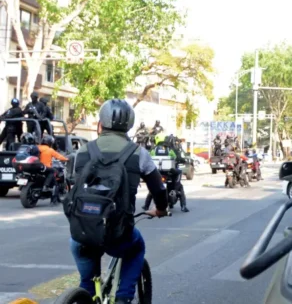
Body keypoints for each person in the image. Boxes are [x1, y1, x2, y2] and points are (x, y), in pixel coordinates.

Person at [68, 99, 168, 304]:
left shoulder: (82, 152)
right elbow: (158, 189)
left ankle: (86, 294)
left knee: (87, 283)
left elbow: (72, 188)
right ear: (129, 125)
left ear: (100, 124)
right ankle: (123, 297)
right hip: (118, 234)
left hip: (82, 232)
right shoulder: (138, 153)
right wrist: (160, 209)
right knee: (137, 247)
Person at [142, 133, 189, 212]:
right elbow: (176, 157)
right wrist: (182, 160)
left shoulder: (154, 149)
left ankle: (146, 206)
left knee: (153, 188)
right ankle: (183, 206)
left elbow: (149, 158)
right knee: (180, 187)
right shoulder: (170, 149)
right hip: (170, 172)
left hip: (157, 172)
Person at [38, 134, 68, 205]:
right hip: (46, 168)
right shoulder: (50, 150)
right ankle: (53, 199)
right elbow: (59, 156)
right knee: (55, 181)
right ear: (50, 142)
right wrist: (67, 159)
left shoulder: (38, 147)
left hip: (37, 167)